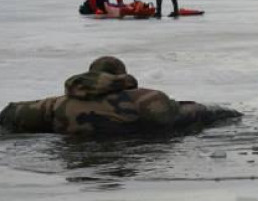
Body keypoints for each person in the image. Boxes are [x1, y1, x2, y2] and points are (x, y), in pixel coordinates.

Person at [0, 56, 241, 136]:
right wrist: (232, 113)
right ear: (121, 77)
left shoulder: (57, 104)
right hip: (125, 154)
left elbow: (11, 113)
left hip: (73, 159)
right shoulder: (145, 100)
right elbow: (193, 114)